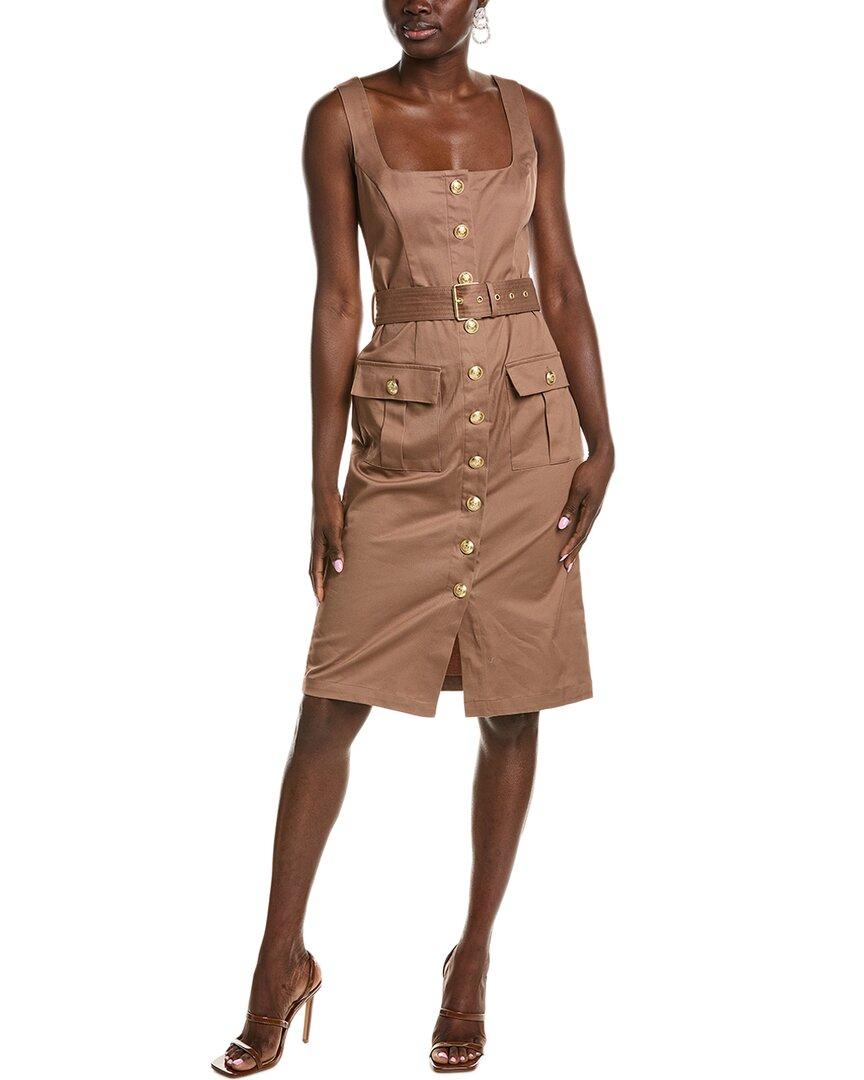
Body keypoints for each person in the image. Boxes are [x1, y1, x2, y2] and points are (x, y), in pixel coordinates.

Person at [212, 1, 614, 1074]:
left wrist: (604, 436)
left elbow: (562, 280)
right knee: (331, 701)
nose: (416, 1)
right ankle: (277, 961)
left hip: (530, 431)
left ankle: (471, 962)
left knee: (513, 705)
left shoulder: (532, 116)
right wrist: (320, 475)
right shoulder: (340, 118)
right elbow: (338, 299)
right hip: (403, 437)